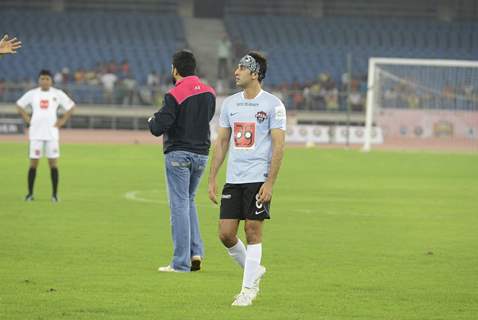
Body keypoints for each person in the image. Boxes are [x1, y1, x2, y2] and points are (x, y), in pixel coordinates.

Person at [208, 52, 286, 306]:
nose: (236, 71)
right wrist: (212, 178)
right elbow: (221, 142)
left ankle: (248, 290)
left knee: (253, 232)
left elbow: (278, 146)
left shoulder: (273, 105)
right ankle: (255, 270)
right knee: (226, 234)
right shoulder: (230, 104)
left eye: (242, 67)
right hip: (234, 179)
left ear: (255, 73)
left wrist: (270, 182)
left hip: (258, 179)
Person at [148, 50, 216, 272]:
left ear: (175, 70)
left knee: (178, 205)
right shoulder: (210, 93)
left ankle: (180, 262)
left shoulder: (174, 94)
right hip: (202, 154)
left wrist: (152, 119)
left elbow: (158, 128)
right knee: (189, 200)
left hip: (178, 154)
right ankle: (196, 252)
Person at [16, 70, 75, 202]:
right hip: (36, 134)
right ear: (39, 80)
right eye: (42, 79)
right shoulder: (33, 94)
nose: (44, 81)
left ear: (51, 81)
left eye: (47, 79)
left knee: (53, 164)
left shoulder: (57, 94)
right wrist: (27, 118)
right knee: (33, 164)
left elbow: (71, 107)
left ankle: (54, 195)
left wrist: (63, 120)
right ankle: (30, 194)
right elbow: (19, 105)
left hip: (51, 134)